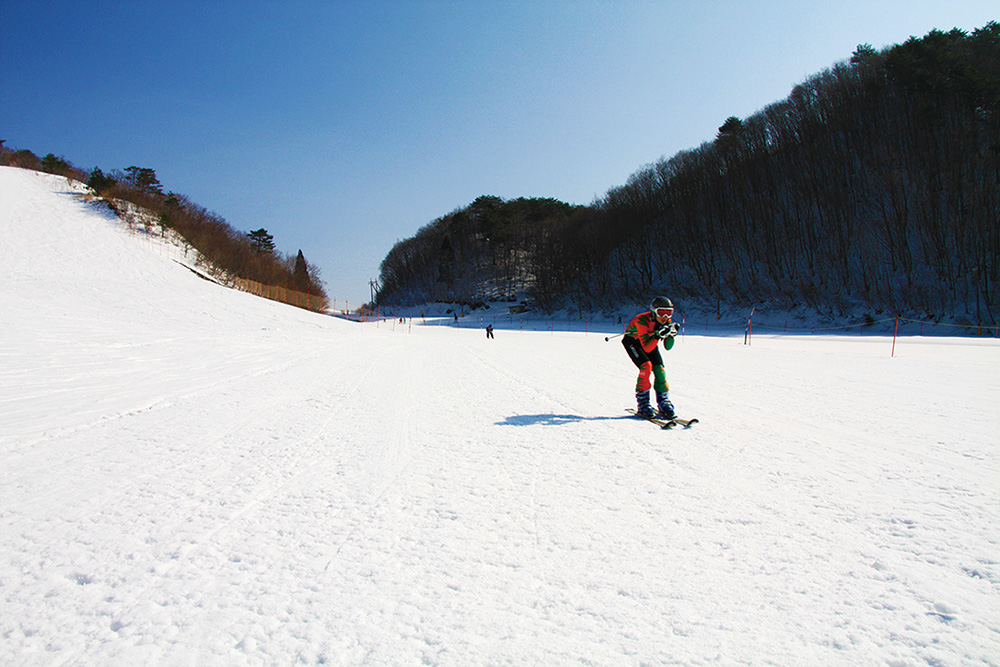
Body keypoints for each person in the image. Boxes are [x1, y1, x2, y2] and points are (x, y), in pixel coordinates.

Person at [622, 296, 679, 419]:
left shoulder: (666, 321)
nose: (665, 317)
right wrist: (659, 336)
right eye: (661, 312)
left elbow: (668, 347)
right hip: (634, 342)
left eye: (669, 313)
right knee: (646, 367)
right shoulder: (641, 320)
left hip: (650, 341)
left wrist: (671, 335)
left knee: (659, 370)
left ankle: (663, 402)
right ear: (654, 311)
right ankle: (643, 403)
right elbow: (646, 347)